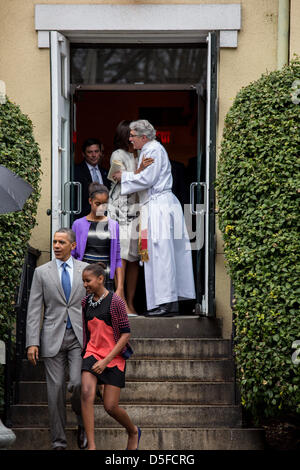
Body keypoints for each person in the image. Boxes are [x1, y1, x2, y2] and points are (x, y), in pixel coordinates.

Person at [112, 119, 196, 317]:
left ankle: (165, 302)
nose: (130, 139)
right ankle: (164, 301)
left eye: (132, 136)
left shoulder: (153, 150)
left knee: (160, 252)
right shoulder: (149, 150)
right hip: (155, 205)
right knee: (157, 252)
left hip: (158, 206)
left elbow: (147, 180)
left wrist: (123, 177)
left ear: (143, 137)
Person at [26, 228, 88, 450]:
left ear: (73, 246)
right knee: (55, 391)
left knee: (78, 384)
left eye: (62, 242)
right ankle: (59, 441)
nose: (56, 246)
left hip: (79, 338)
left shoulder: (84, 271)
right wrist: (32, 342)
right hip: (52, 338)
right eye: (54, 242)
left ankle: (83, 424)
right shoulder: (42, 272)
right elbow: (34, 310)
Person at [80, 262, 141, 450]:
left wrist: (106, 361)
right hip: (92, 352)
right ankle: (92, 446)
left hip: (113, 358)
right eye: (83, 281)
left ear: (100, 279)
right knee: (86, 393)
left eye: (88, 281)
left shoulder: (116, 302)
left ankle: (132, 431)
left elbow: (125, 334)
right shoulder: (85, 302)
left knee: (110, 407)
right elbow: (87, 332)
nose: (85, 285)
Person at [108, 120, 141, 314]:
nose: (133, 136)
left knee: (135, 256)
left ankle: (131, 301)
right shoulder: (117, 154)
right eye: (131, 133)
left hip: (138, 207)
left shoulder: (140, 153)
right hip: (120, 208)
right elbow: (117, 176)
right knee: (122, 252)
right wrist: (140, 171)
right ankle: (120, 295)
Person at [71, 183, 123, 297]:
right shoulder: (78, 224)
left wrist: (120, 288)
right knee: (85, 312)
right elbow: (73, 255)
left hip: (105, 279)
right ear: (90, 201)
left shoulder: (113, 225)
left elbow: (117, 258)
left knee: (104, 313)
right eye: (97, 204)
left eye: (105, 204)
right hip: (84, 280)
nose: (101, 208)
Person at [74, 138, 110, 219]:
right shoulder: (76, 171)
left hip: (103, 217)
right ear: (83, 154)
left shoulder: (105, 172)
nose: (94, 155)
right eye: (90, 152)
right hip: (84, 217)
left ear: (100, 153)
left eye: (96, 151)